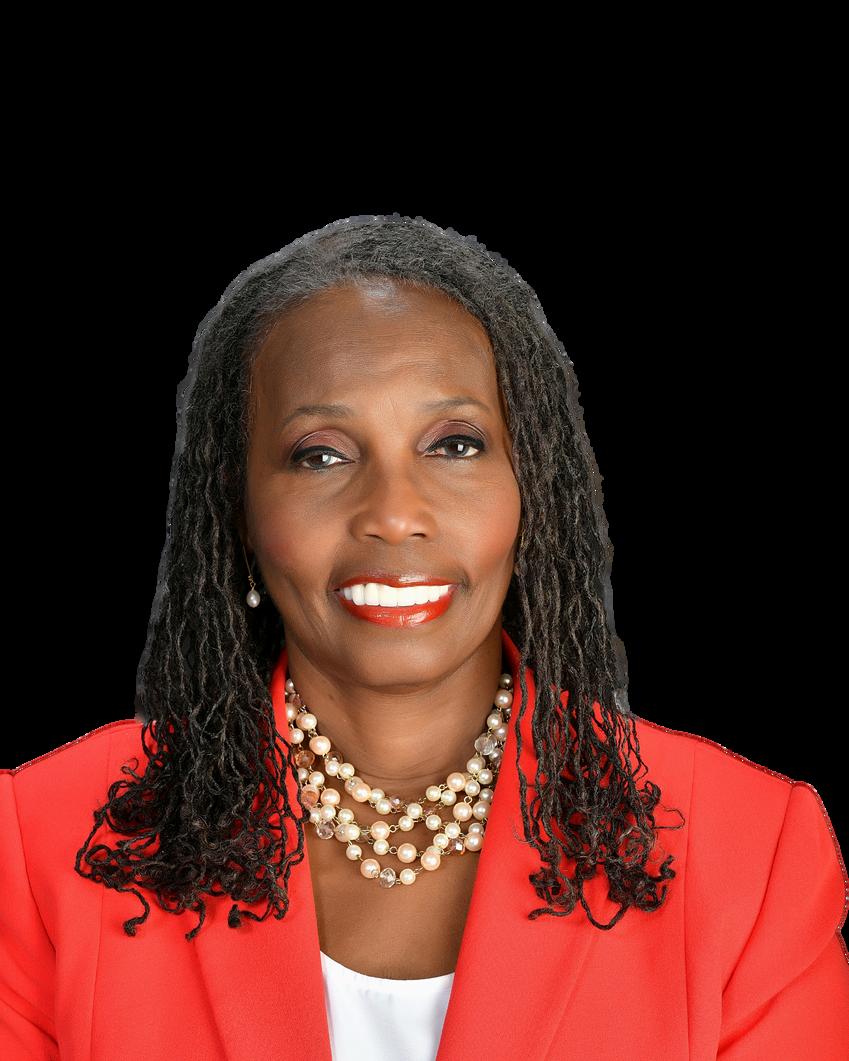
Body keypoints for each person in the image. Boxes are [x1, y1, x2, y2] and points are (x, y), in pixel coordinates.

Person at [2, 214, 847, 1060]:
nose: (394, 513)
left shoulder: (751, 854)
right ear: (238, 509)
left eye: (454, 444)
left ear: (530, 488)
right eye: (321, 455)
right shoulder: (36, 844)